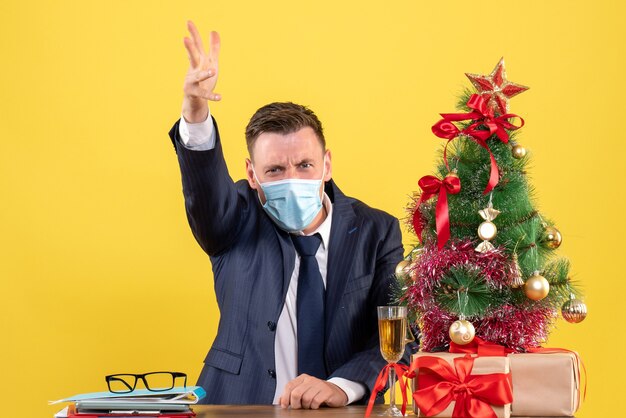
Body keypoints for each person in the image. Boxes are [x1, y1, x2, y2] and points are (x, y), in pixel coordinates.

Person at [168, 21, 406, 409]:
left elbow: (397, 335)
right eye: (276, 171)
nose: (292, 178)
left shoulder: (377, 231)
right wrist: (195, 111)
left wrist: (343, 386)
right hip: (238, 406)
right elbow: (206, 194)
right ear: (251, 174)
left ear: (327, 164)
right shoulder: (234, 219)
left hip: (340, 411)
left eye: (305, 165)